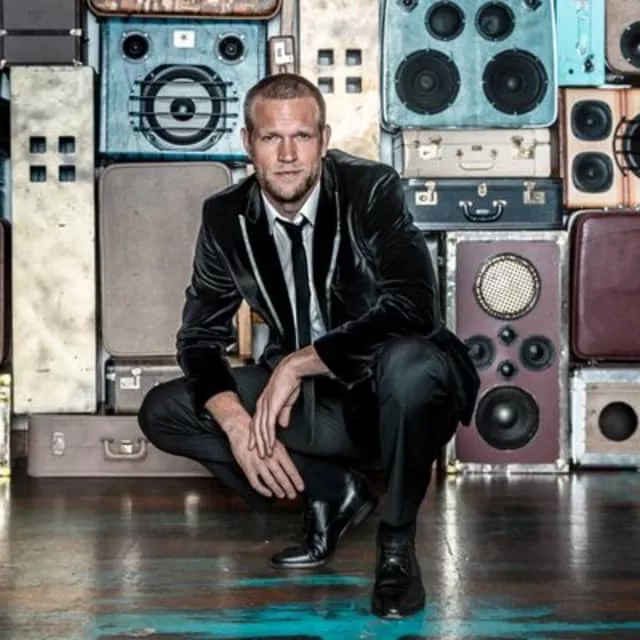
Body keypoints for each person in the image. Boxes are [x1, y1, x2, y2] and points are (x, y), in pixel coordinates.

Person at [138, 73, 479, 619]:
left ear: (324, 140)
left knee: (411, 363)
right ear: (247, 143)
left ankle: (396, 548)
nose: (288, 155)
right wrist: (236, 423)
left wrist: (298, 364)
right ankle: (332, 491)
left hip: (395, 396)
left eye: (302, 136)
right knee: (166, 410)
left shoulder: (370, 188)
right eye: (271, 138)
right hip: (315, 409)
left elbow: (414, 307)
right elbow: (199, 338)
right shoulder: (226, 217)